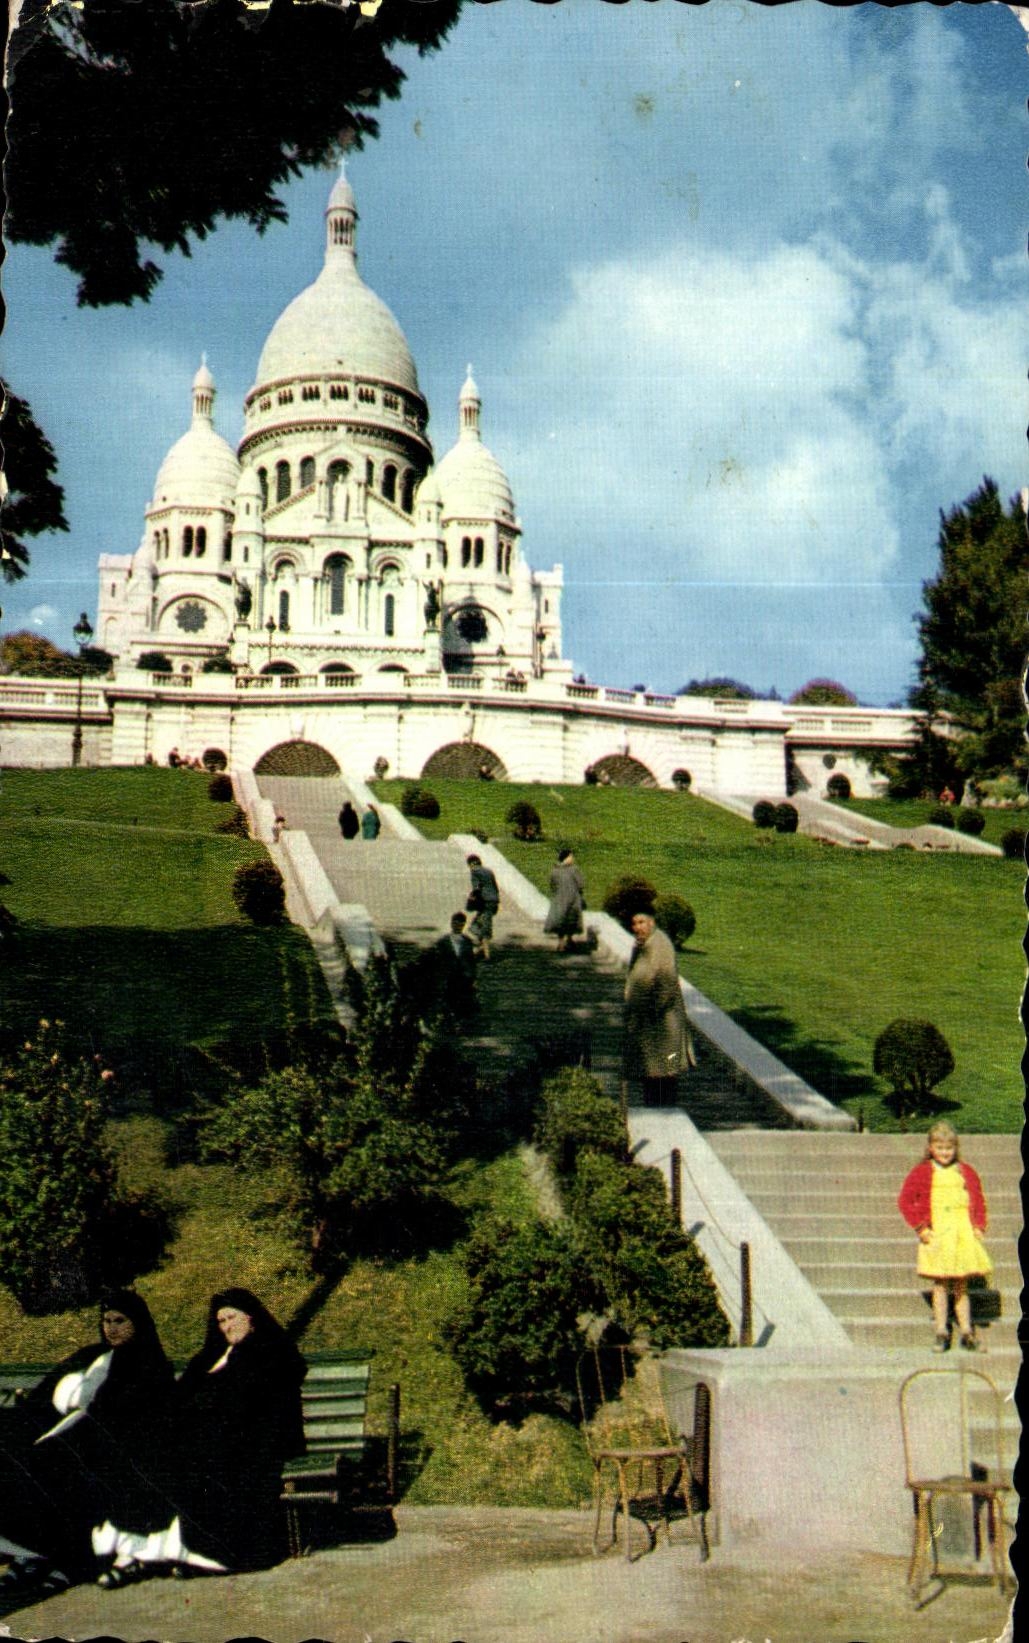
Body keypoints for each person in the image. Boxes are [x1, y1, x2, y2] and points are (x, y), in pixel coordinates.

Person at [94, 1288, 307, 1581]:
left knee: (186, 1466)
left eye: (231, 1317)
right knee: (151, 1459)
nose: (226, 1326)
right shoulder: (214, 1354)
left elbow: (257, 1409)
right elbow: (180, 1396)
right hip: (210, 1440)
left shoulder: (271, 1352)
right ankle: (149, 1552)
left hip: (255, 1444)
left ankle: (203, 1555)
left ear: (251, 1318)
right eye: (220, 1321)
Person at [0, 1290, 175, 1601]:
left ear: (138, 1323)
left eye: (120, 1320)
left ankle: (67, 1562)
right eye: (106, 1320)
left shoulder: (149, 1364)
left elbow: (134, 1420)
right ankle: (31, 1553)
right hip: (69, 1438)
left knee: (56, 1466)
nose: (111, 1328)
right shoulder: (90, 1354)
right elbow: (44, 1396)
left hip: (118, 1455)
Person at [898, 1122, 991, 1353]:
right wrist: (921, 1228)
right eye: (939, 1148)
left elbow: (978, 1200)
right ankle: (941, 1331)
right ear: (930, 1148)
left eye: (949, 1148)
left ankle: (967, 1332)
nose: (944, 1153)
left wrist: (978, 1225)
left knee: (961, 1284)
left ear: (955, 1148)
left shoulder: (965, 1171)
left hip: (961, 1233)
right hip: (937, 1233)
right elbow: (905, 1200)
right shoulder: (922, 1171)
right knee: (940, 1284)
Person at [622, 908, 697, 1107]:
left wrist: (651, 1010)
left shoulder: (660, 944)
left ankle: (665, 1116)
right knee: (653, 1073)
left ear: (652, 923)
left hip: (661, 1023)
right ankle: (656, 1110)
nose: (636, 928)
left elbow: (666, 981)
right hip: (649, 1025)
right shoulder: (644, 945)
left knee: (664, 1073)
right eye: (634, 923)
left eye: (641, 922)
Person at [430, 912, 478, 1017]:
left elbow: (471, 961)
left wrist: (472, 978)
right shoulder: (443, 942)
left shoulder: (467, 941)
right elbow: (438, 961)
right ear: (451, 924)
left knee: (463, 1005)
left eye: (461, 923)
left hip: (464, 978)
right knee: (447, 1003)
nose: (458, 926)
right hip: (448, 978)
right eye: (455, 923)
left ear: (464, 925)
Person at [544, 847, 586, 953]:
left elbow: (552, 885)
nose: (572, 859)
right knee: (571, 920)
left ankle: (561, 941)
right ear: (566, 858)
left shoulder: (555, 871)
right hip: (572, 899)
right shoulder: (574, 870)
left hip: (559, 899)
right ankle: (569, 939)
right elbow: (581, 884)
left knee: (561, 920)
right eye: (571, 856)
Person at [465, 854, 500, 961]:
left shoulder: (474, 872)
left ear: (471, 864)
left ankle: (486, 955)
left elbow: (476, 888)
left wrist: (471, 898)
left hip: (485, 901)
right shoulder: (489, 871)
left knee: (484, 927)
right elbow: (496, 887)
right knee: (478, 924)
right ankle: (478, 951)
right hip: (494, 900)